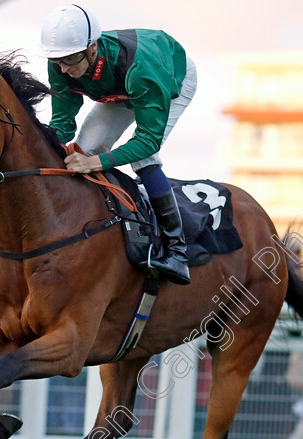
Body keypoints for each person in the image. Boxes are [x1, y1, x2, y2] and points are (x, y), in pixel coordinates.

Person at [37, 5, 195, 285]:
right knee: (83, 149)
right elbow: (63, 123)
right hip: (121, 89)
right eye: (57, 60)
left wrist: (97, 163)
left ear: (92, 48)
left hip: (166, 78)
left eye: (71, 59)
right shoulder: (61, 65)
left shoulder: (142, 71)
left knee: (143, 159)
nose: (64, 69)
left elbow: (147, 140)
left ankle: (177, 251)